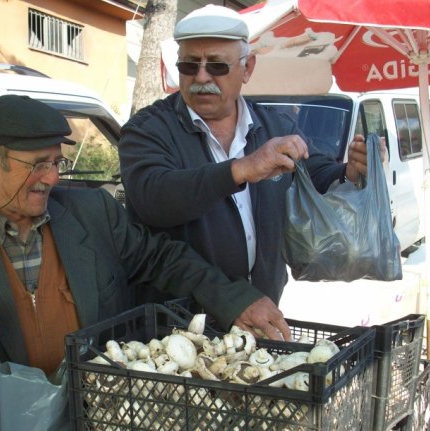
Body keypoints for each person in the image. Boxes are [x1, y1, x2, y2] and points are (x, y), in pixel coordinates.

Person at [0, 95, 290, 429]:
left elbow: (165, 258)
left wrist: (235, 299)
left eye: (56, 162)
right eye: (37, 165)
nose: (52, 178)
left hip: (99, 414)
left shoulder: (94, 212)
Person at [118, 5, 369, 309]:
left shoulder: (276, 125)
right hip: (175, 324)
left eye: (217, 66)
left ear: (247, 68)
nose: (201, 76)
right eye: (188, 65)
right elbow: (153, 198)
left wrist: (349, 172)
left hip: (260, 311)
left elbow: (314, 172)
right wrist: (240, 170)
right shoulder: (147, 130)